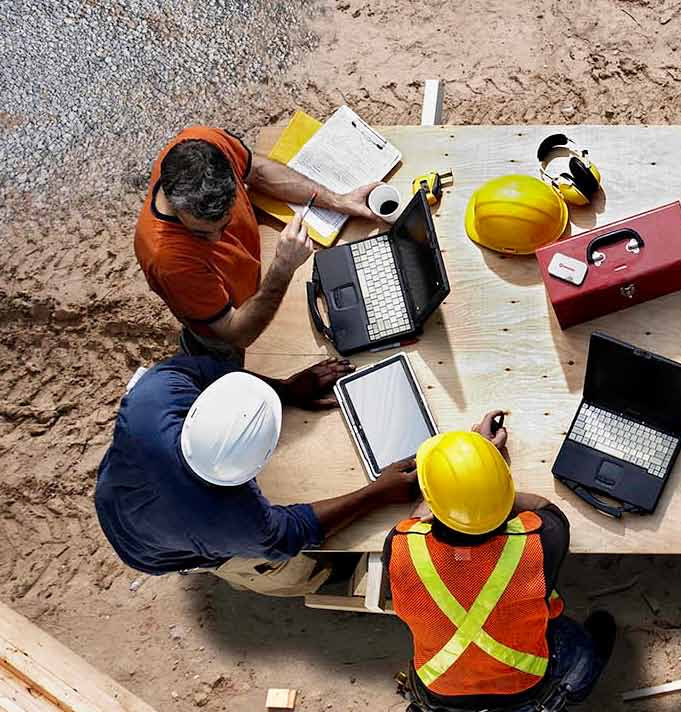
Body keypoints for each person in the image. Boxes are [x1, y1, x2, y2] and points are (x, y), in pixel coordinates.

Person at [95, 354, 418, 596]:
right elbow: (289, 534)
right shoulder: (231, 521)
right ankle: (319, 577)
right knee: (291, 574)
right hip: (147, 549)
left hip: (115, 494)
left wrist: (286, 389)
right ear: (255, 469)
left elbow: (200, 370)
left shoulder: (154, 399)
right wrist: (377, 493)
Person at [385, 416, 614, 711]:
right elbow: (544, 507)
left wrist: (457, 489)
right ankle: (578, 684)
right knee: (576, 644)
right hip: (525, 686)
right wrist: (491, 476)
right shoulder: (542, 540)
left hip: (438, 687)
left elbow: (417, 517)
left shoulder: (402, 545)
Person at [134, 125, 382, 363]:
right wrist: (283, 267)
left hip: (255, 279)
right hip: (230, 323)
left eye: (225, 224)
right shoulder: (168, 261)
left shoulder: (206, 142)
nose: (217, 241)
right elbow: (237, 333)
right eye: (200, 234)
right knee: (236, 359)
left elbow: (259, 173)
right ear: (173, 205)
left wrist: (337, 201)